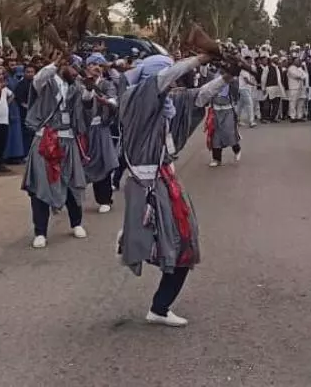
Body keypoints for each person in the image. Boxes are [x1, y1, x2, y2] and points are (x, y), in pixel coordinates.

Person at [117, 54, 209, 327]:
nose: (173, 83)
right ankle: (133, 239)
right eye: (167, 76)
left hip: (165, 181)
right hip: (147, 185)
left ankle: (160, 305)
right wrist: (201, 58)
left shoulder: (165, 104)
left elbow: (200, 96)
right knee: (179, 244)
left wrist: (227, 76)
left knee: (184, 243)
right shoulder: (136, 99)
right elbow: (163, 78)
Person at [22, 53, 88, 249]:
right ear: (64, 66)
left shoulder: (76, 87)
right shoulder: (46, 83)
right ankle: (40, 232)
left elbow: (87, 102)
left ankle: (76, 223)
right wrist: (55, 63)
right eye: (73, 67)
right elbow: (38, 78)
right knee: (40, 186)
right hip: (45, 140)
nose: (76, 72)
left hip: (68, 139)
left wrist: (91, 88)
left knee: (72, 183)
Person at [81, 53, 120, 214]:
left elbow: (113, 100)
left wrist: (108, 102)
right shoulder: (79, 83)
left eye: (99, 65)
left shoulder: (106, 84)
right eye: (92, 64)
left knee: (103, 163)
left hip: (100, 129)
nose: (96, 67)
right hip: (82, 130)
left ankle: (104, 199)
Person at [198, 68, 241, 168]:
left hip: (228, 109)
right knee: (215, 135)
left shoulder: (233, 78)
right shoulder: (212, 75)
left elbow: (235, 94)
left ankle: (237, 149)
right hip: (215, 109)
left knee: (229, 132)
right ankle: (216, 159)